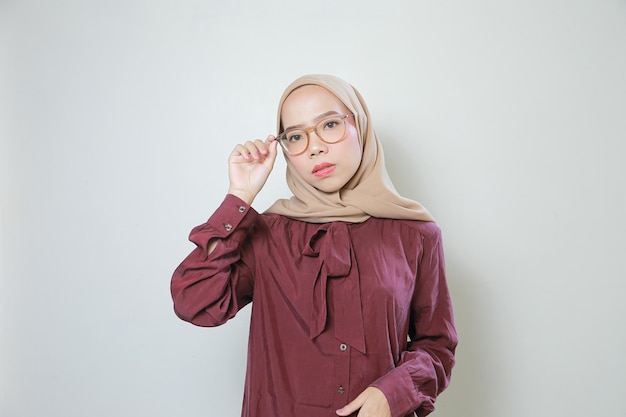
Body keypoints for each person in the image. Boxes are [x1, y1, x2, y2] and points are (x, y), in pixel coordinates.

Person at [171, 74, 457, 417]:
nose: (316, 146)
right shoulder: (268, 234)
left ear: (360, 126)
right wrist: (239, 197)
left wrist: (395, 391)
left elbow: (438, 345)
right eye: (296, 136)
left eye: (330, 125)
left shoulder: (417, 235)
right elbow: (194, 302)